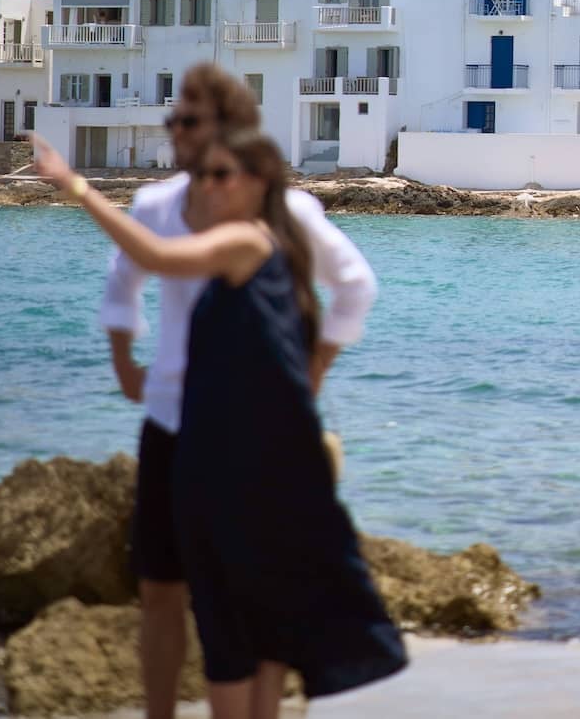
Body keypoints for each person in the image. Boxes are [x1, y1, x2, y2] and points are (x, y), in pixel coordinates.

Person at [34, 127, 406, 719]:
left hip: (237, 465)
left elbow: (153, 257)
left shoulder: (243, 240)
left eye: (221, 176)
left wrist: (74, 186)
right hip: (258, 455)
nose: (207, 187)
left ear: (258, 184)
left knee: (227, 623)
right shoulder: (274, 248)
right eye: (203, 176)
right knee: (256, 614)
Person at [98, 65, 378, 719]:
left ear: (227, 127)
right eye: (173, 120)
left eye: (189, 121)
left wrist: (314, 371)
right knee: (160, 589)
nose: (176, 131)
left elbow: (355, 285)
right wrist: (124, 364)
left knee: (257, 593)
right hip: (170, 421)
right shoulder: (156, 204)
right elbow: (123, 283)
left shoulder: (286, 211)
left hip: (254, 436)